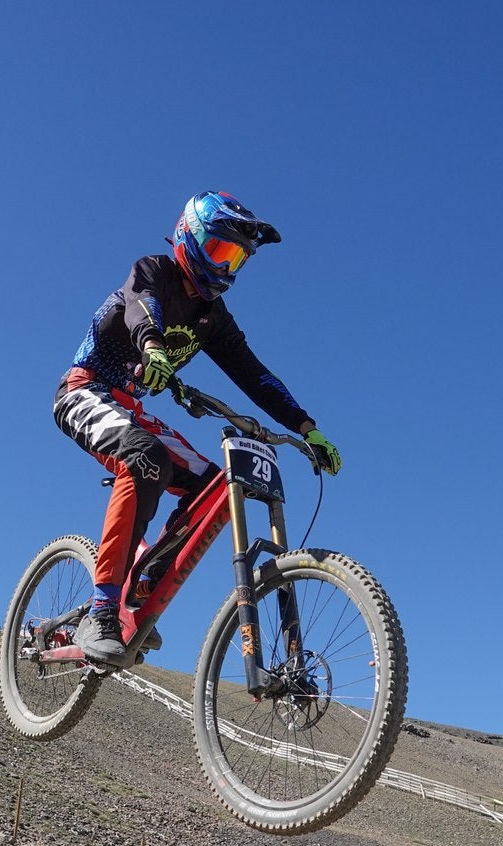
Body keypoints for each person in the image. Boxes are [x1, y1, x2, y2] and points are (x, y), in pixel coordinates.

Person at [53, 191, 341, 662]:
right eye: (219, 250)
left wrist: (307, 427)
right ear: (189, 237)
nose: (225, 267)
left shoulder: (213, 319)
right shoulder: (154, 270)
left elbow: (254, 373)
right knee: (144, 458)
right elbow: (141, 308)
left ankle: (141, 589)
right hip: (82, 390)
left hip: (130, 408)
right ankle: (101, 610)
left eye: (236, 258)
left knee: (212, 489)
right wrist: (152, 348)